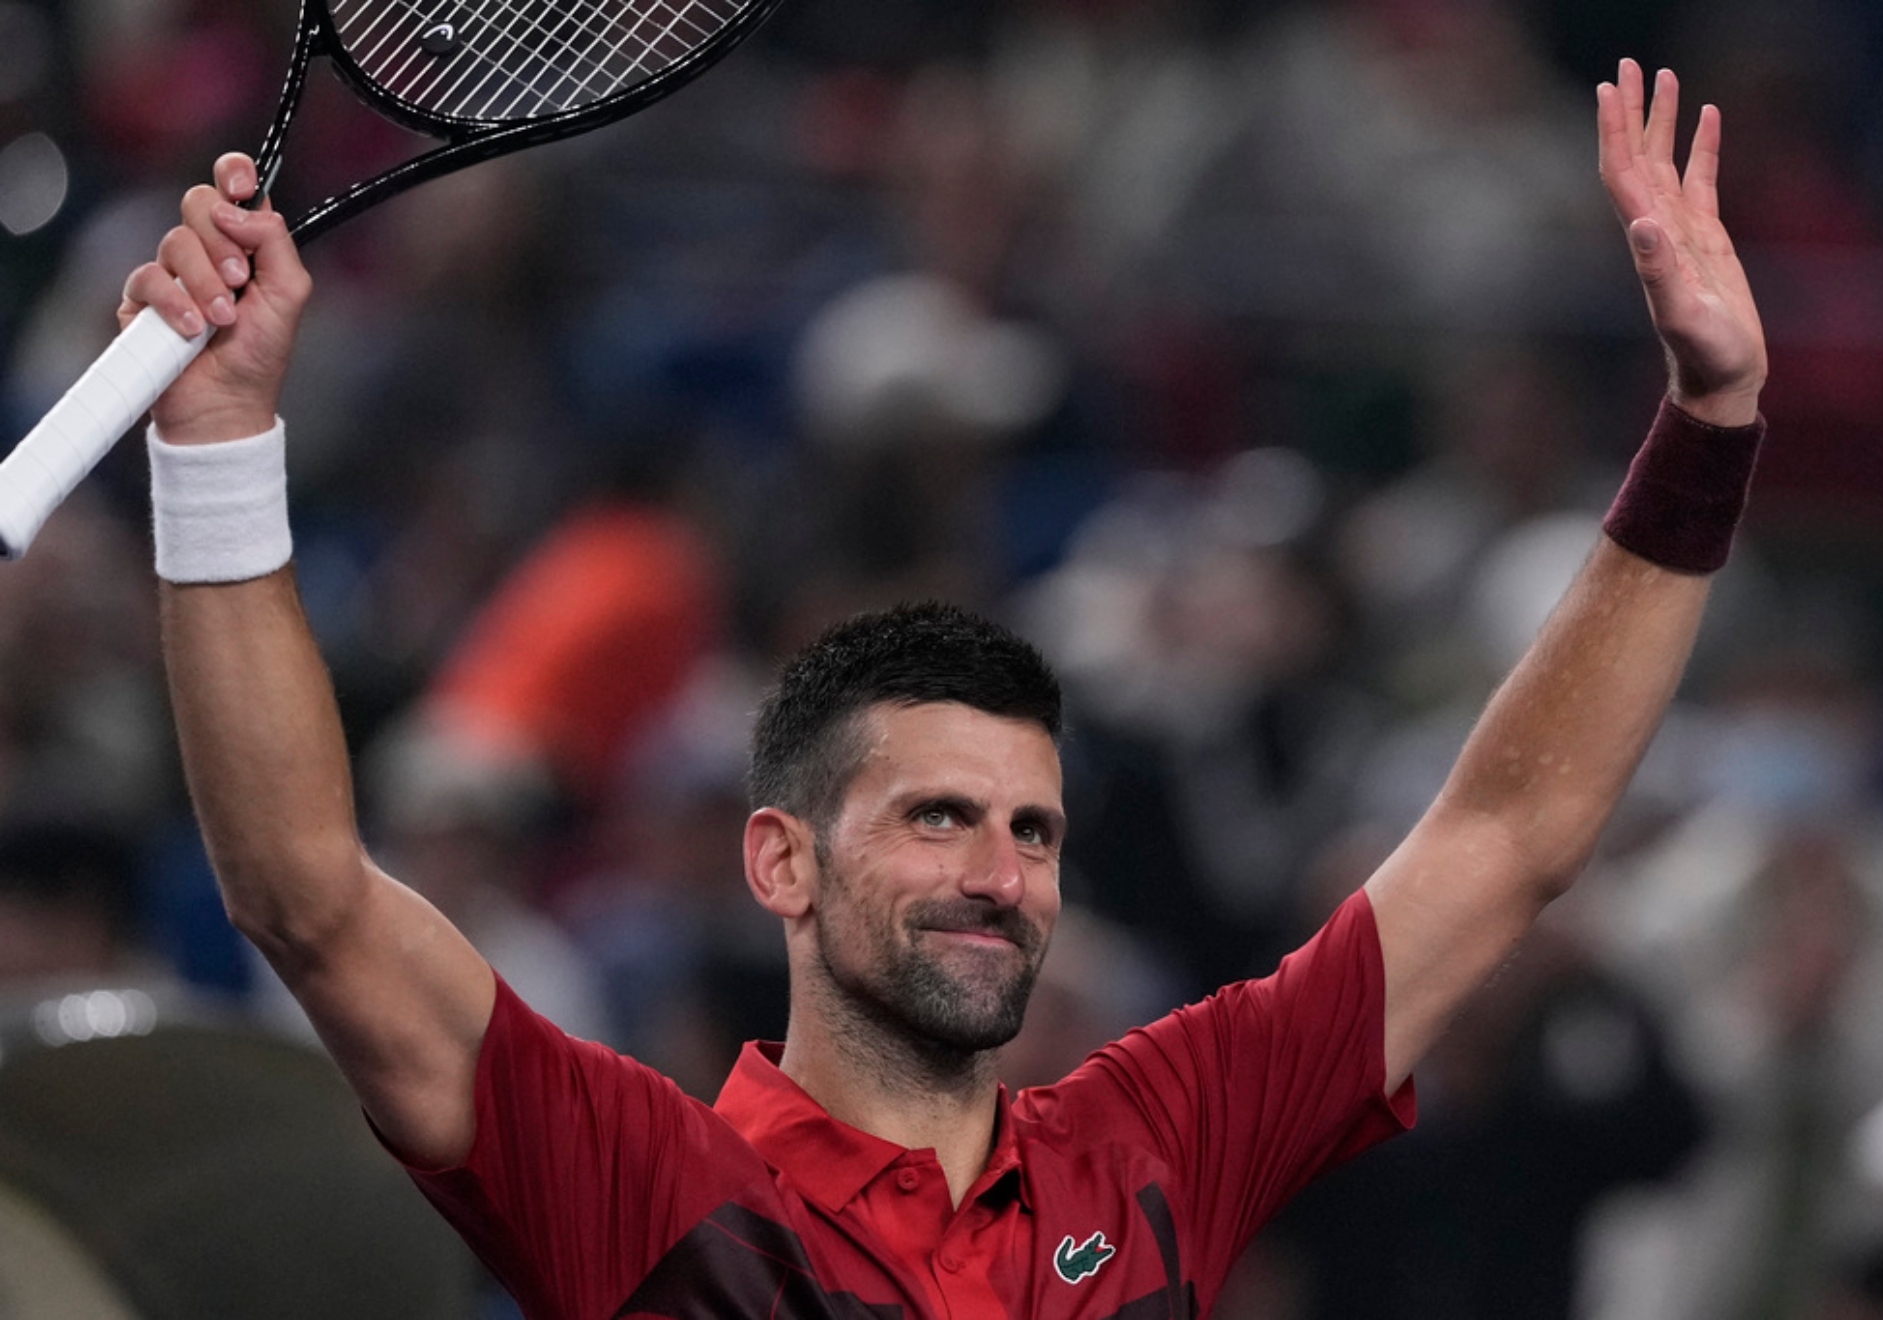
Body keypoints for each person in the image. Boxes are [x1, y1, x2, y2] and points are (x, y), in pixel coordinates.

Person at [120, 58, 1765, 1317]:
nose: (1001, 873)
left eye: (1032, 832)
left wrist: (1708, 426)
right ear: (780, 860)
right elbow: (305, 895)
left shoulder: (1158, 1144)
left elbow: (1508, 837)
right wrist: (218, 447)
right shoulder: (646, 1180)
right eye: (938, 818)